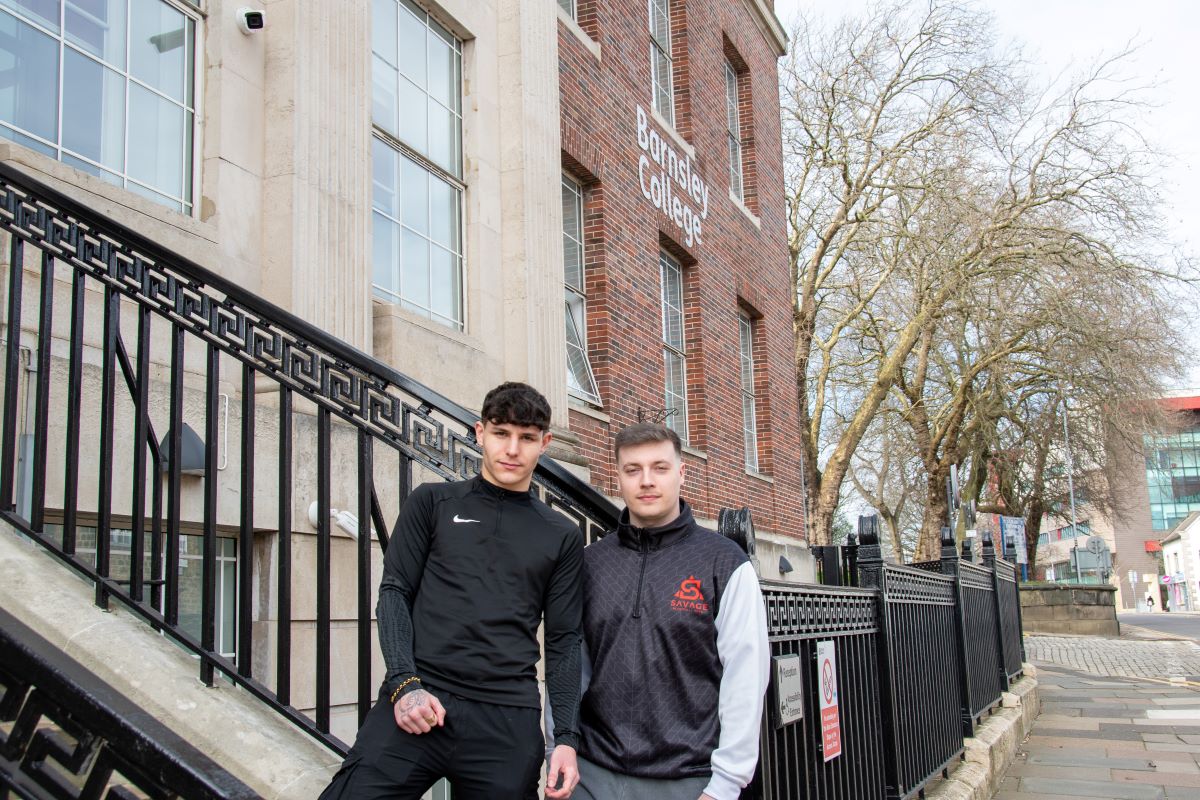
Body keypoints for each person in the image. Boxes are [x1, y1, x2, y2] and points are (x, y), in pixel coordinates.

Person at [321, 382, 583, 800]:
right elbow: (394, 593)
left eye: (527, 438)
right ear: (480, 433)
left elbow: (564, 640)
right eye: (501, 433)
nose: (512, 449)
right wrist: (404, 684)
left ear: (544, 443)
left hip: (506, 718)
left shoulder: (561, 534)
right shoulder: (433, 503)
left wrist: (565, 738)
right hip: (420, 696)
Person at [561, 422, 770, 800]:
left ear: (681, 473)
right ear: (618, 477)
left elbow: (746, 677)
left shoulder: (724, 563)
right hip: (592, 775)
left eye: (659, 467)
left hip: (688, 779)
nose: (646, 481)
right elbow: (572, 665)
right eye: (633, 470)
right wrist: (560, 745)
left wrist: (725, 784)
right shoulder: (591, 563)